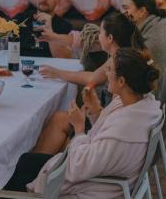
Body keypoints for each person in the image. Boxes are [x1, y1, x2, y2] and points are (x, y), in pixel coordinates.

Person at [4, 48, 162, 198]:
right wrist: (95, 110)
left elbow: (79, 166)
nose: (106, 73)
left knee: (24, 167)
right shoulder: (141, 105)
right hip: (101, 176)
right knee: (27, 161)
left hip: (93, 189)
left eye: (110, 70)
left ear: (121, 81)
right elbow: (106, 138)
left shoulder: (125, 130)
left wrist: (79, 128)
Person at [34, 12, 145, 154]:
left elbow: (91, 79)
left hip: (107, 131)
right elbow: (93, 75)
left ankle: (39, 164)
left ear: (110, 38)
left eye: (100, 32)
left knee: (58, 120)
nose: (98, 36)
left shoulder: (118, 62)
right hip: (112, 123)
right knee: (60, 118)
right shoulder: (125, 54)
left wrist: (57, 73)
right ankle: (49, 162)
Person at [0, 0, 73, 58]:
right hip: (19, 64)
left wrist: (49, 29)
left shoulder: (65, 26)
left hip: (48, 67)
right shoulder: (21, 18)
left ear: (57, 1)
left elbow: (63, 57)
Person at [121, 0, 166, 78]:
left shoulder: (151, 41)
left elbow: (131, 70)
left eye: (125, 8)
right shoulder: (157, 24)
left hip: (156, 88)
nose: (121, 13)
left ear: (142, 11)